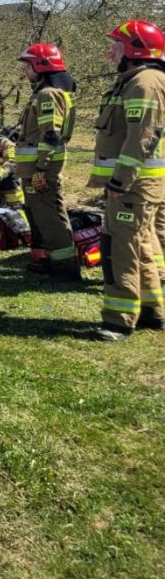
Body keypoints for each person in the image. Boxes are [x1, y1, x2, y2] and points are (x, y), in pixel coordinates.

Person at [89, 20, 165, 341]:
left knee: (119, 249)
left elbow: (141, 138)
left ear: (136, 48)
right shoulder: (136, 81)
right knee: (141, 245)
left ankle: (118, 320)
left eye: (116, 46)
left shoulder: (144, 83)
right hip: (137, 186)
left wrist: (120, 181)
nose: (111, 52)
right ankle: (151, 310)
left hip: (132, 186)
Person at [16, 43, 78, 278]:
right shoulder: (46, 93)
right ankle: (55, 261)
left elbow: (50, 135)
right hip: (35, 168)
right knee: (45, 214)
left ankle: (64, 268)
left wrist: (41, 169)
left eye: (28, 66)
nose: (26, 72)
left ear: (41, 66)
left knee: (49, 218)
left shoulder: (47, 94)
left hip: (40, 169)